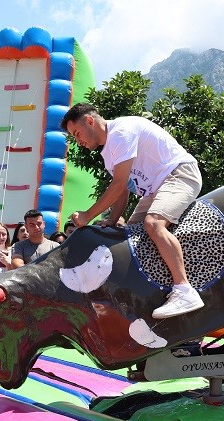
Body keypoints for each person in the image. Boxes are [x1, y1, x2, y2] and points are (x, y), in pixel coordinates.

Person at [62, 103, 203, 319]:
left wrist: (87, 215)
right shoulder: (108, 154)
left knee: (153, 223)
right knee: (130, 235)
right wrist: (113, 219)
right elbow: (124, 190)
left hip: (179, 174)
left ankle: (184, 289)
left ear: (90, 121)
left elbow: (117, 185)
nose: (78, 141)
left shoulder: (121, 132)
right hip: (156, 190)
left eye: (77, 133)